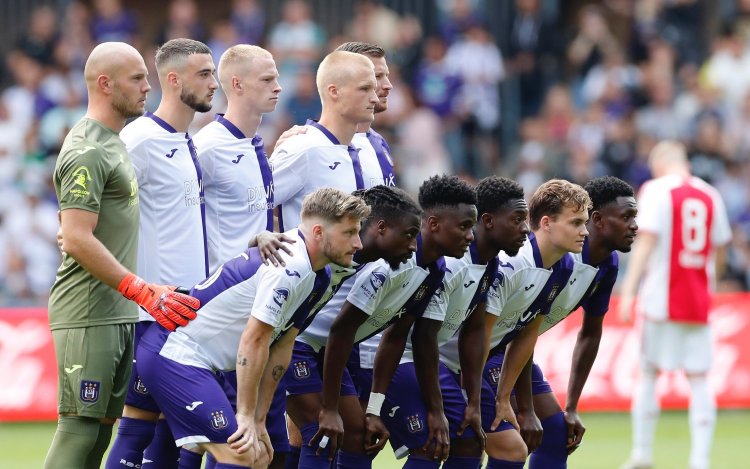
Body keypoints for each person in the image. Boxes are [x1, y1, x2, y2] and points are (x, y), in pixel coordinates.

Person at [44, 42, 199, 469]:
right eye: (137, 78)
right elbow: (76, 237)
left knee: (98, 436)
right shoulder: (87, 149)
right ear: (105, 84)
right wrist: (140, 288)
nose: (148, 87)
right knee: (77, 432)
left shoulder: (113, 143)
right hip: (89, 310)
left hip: (117, 311)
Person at [136, 188, 369, 469]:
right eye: (349, 232)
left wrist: (259, 421)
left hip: (200, 363)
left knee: (257, 456)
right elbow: (254, 340)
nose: (358, 243)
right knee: (242, 452)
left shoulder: (320, 276)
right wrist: (245, 416)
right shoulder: (288, 267)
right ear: (318, 232)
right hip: (175, 354)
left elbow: (282, 346)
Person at [284, 174, 477, 469]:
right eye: (464, 226)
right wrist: (331, 408)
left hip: (326, 351)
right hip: (297, 345)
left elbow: (396, 337)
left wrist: (374, 408)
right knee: (319, 433)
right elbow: (340, 331)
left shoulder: (433, 270)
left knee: (356, 436)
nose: (470, 236)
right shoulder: (385, 267)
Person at [106, 38, 219, 469]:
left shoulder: (187, 140)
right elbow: (94, 212)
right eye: (204, 74)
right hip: (154, 316)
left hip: (188, 312)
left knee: (174, 436)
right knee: (138, 429)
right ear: (172, 80)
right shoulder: (139, 139)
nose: (214, 83)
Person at [365, 176, 530, 469]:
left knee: (469, 439)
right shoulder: (452, 264)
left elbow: (475, 331)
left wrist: (474, 400)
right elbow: (420, 338)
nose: (526, 229)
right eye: (517, 219)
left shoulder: (489, 264)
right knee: (431, 443)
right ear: (489, 221)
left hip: (424, 360)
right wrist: (436, 408)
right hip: (393, 358)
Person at [439, 179, 590, 469]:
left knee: (529, 439)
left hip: (483, 357)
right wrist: (477, 394)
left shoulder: (563, 266)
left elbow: (527, 332)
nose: (584, 231)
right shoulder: (512, 264)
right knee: (498, 447)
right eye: (575, 222)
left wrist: (505, 397)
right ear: (546, 223)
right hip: (450, 360)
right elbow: (480, 331)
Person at [511, 176, 638, 469]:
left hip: (516, 349)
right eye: (626, 216)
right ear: (598, 220)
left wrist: (571, 406)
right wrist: (525, 407)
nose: (634, 225)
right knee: (501, 439)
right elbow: (516, 325)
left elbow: (590, 334)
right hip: (489, 348)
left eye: (635, 216)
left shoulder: (608, 265)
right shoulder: (556, 254)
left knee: (556, 434)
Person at [619, 141, 731, 469]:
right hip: (697, 300)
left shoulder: (655, 190)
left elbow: (646, 241)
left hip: (659, 298)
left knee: (649, 373)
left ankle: (642, 453)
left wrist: (629, 290)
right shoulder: (711, 194)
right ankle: (700, 460)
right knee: (699, 378)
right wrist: (710, 279)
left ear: (660, 164)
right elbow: (721, 249)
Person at [193, 44, 283, 273]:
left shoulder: (256, 143)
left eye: (276, 79)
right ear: (237, 84)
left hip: (258, 285)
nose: (278, 88)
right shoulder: (208, 146)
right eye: (267, 80)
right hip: (222, 292)